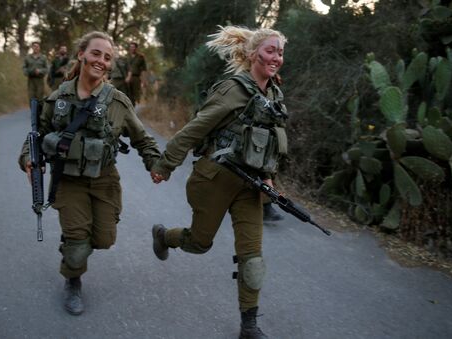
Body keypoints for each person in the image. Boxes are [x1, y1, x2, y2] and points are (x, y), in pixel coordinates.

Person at [149, 26, 288, 339]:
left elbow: (266, 146)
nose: (276, 57)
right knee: (199, 243)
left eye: (279, 52)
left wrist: (268, 179)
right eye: (269, 50)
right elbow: (196, 128)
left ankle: (248, 326)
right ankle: (165, 236)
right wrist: (165, 163)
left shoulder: (274, 95)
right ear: (253, 54)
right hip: (215, 178)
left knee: (252, 260)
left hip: (249, 187)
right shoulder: (232, 90)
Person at [18, 31, 161, 316]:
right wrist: (28, 159)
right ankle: (73, 278)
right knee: (78, 243)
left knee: (104, 239)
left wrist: (155, 164)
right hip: (68, 181)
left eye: (108, 57)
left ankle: (75, 245)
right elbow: (37, 133)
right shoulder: (59, 97)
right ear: (82, 54)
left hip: (104, 179)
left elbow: (143, 139)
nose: (101, 61)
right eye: (96, 53)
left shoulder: (118, 101)